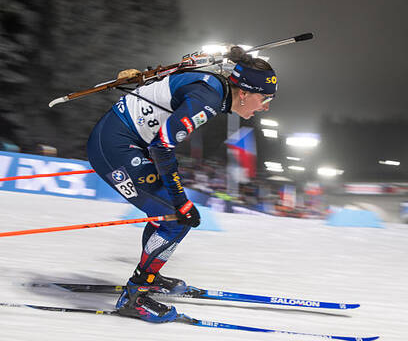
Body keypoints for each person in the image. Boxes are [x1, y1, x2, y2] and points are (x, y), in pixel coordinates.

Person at [86, 46, 277, 322]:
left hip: (125, 140)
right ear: (244, 93)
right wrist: (180, 200)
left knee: (168, 214)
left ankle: (149, 277)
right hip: (115, 147)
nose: (266, 106)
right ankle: (135, 296)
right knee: (176, 217)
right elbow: (162, 147)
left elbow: (189, 67)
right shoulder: (207, 99)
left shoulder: (217, 86)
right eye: (265, 98)